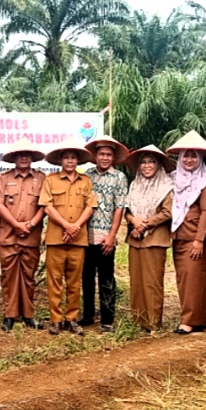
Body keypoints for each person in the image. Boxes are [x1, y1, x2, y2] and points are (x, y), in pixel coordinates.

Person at [39, 138, 97, 336]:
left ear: (78, 161)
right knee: (54, 281)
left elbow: (90, 206)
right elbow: (47, 207)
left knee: (74, 282)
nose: (70, 161)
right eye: (66, 157)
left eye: (73, 157)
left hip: (78, 240)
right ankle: (56, 320)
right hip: (56, 238)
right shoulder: (50, 180)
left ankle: (71, 319)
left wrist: (76, 226)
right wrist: (66, 225)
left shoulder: (86, 181)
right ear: (60, 160)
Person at [0, 138, 46, 332]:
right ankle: (10, 315)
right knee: (9, 276)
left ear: (32, 157)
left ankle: (29, 315)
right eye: (20, 154)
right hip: (9, 236)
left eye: (27, 154)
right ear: (14, 158)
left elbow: (45, 206)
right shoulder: (4, 178)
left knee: (29, 276)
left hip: (31, 236)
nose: (23, 157)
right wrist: (16, 225)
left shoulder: (42, 178)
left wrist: (30, 224)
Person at [167, 131, 206, 335]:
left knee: (193, 276)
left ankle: (189, 320)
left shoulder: (205, 182)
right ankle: (200, 317)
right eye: (185, 155)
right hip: (179, 235)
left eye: (193, 156)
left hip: (196, 236)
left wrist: (199, 240)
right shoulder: (174, 178)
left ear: (200, 158)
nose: (189, 160)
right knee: (185, 277)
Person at [124, 145, 174, 333]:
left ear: (158, 164)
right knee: (136, 281)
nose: (146, 166)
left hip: (155, 238)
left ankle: (153, 323)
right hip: (135, 238)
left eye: (151, 162)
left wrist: (146, 224)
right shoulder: (134, 185)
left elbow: (168, 212)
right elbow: (127, 211)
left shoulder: (165, 186)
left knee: (152, 282)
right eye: (143, 162)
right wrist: (134, 221)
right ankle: (138, 320)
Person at [81, 135, 129, 332]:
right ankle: (88, 314)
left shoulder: (119, 178)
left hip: (105, 236)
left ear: (113, 157)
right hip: (86, 236)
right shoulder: (87, 176)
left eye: (108, 154)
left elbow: (119, 208)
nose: (105, 157)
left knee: (106, 279)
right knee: (86, 277)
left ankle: (107, 319)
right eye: (101, 154)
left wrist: (111, 235)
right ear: (95, 156)